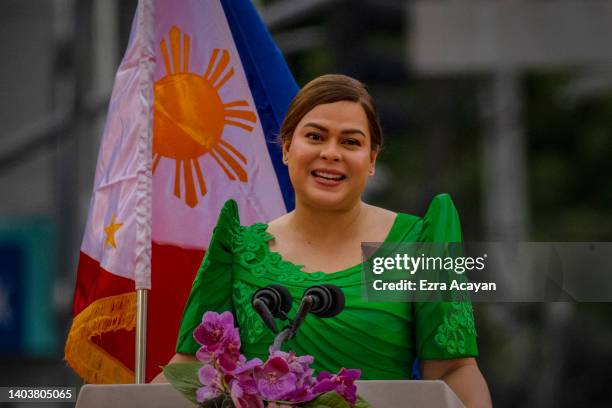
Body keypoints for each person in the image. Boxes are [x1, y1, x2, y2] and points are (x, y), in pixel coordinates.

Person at [154, 74, 492, 407]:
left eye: (350, 142)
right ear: (287, 148)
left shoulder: (416, 244)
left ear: (371, 159)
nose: (331, 153)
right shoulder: (237, 249)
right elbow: (191, 369)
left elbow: (453, 370)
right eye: (315, 136)